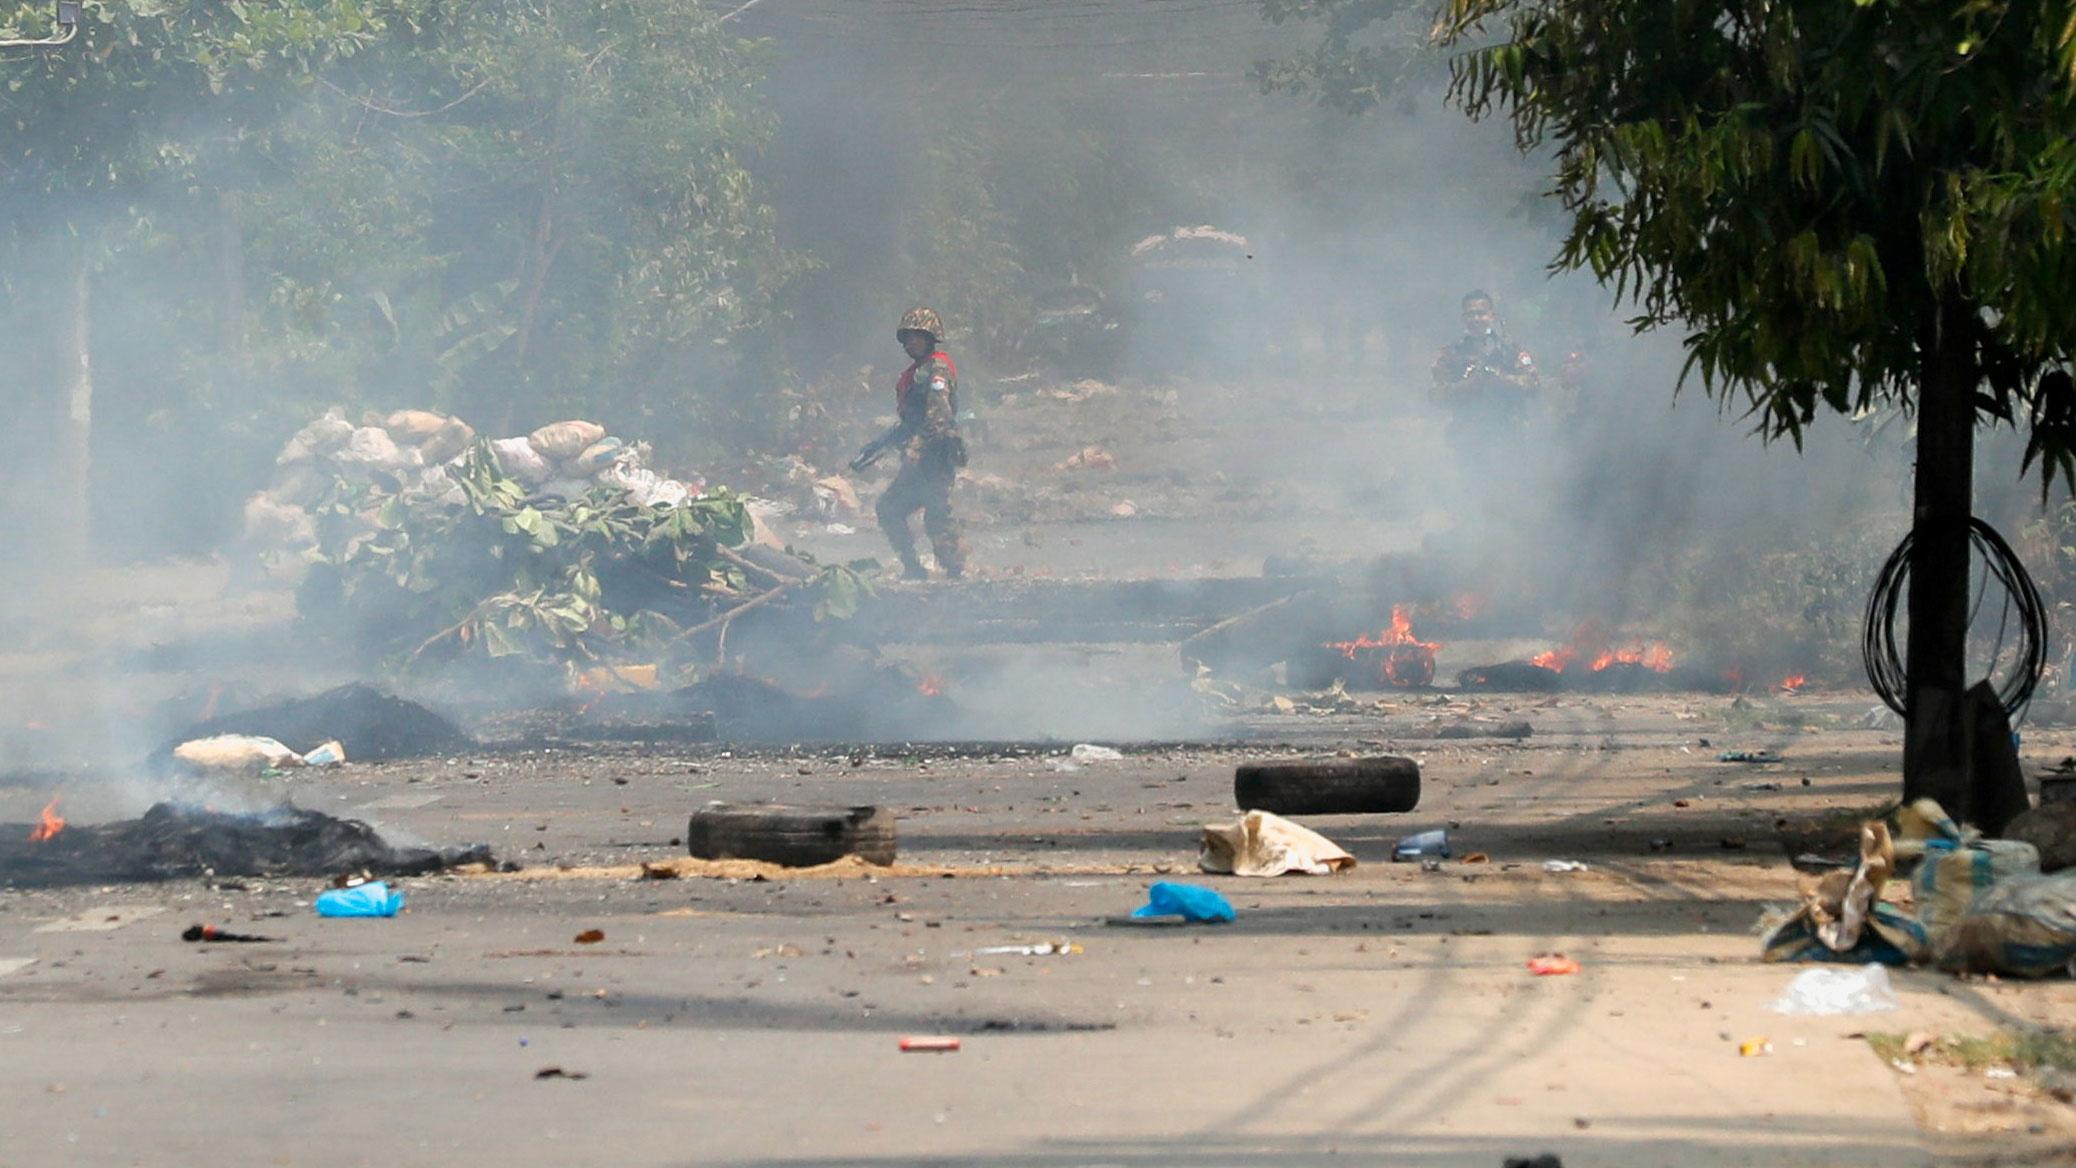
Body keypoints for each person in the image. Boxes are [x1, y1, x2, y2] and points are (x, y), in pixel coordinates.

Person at [863, 307, 967, 580]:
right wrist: (879, 444)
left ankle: (956, 574)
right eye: (907, 338)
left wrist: (917, 450)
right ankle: (913, 568)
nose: (911, 344)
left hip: (935, 456)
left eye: (917, 337)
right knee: (889, 509)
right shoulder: (916, 372)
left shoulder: (937, 369)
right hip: (918, 457)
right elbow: (911, 420)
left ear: (931, 337)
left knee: (937, 516)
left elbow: (938, 415)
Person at [1429, 289, 1540, 452]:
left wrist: (1499, 379)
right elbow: (1435, 395)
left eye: (1481, 314)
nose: (1476, 319)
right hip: (1468, 437)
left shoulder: (1509, 349)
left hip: (1509, 433)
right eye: (1470, 314)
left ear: (1491, 316)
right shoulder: (1451, 353)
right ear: (1463, 318)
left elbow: (1533, 385)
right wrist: (1466, 386)